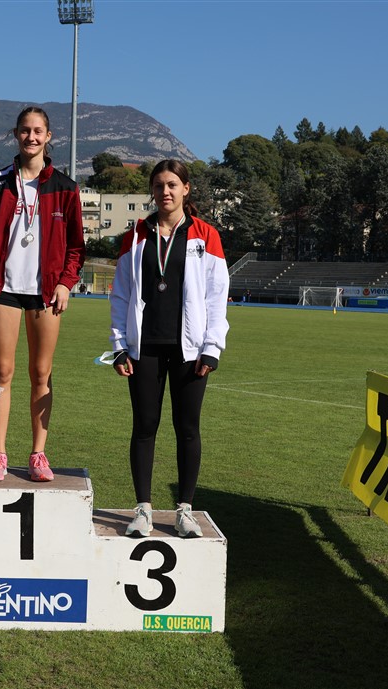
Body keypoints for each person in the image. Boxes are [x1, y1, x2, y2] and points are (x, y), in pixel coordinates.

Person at [109, 160, 230, 538]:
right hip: (143, 347)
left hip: (189, 350)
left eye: (172, 184)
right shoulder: (134, 236)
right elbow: (121, 295)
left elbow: (217, 297)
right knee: (144, 427)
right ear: (152, 190)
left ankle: (185, 511)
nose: (165, 191)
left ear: (186, 189)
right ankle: (143, 510)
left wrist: (212, 347)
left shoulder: (206, 235)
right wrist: (119, 346)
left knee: (188, 428)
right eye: (159, 185)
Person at [0, 106, 85, 482]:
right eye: (24, 130)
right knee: (2, 370)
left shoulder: (65, 188)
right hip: (2, 290)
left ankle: (38, 454)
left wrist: (66, 283)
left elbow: (76, 246)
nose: (31, 137)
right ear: (15, 134)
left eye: (37, 131)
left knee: (41, 372)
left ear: (48, 137)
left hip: (46, 293)